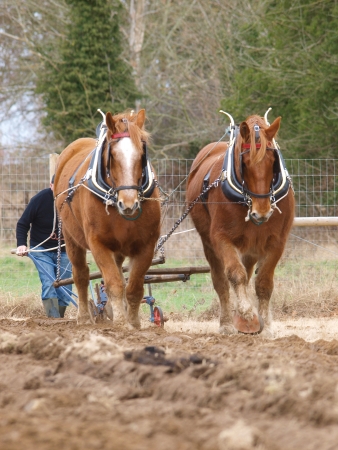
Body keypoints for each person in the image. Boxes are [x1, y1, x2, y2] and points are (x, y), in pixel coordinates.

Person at [16, 175, 72, 318]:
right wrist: (21, 244)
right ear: (51, 185)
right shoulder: (39, 199)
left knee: (66, 286)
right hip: (41, 249)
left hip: (66, 250)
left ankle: (60, 318)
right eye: (58, 187)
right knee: (49, 282)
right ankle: (53, 320)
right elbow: (22, 224)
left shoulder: (73, 200)